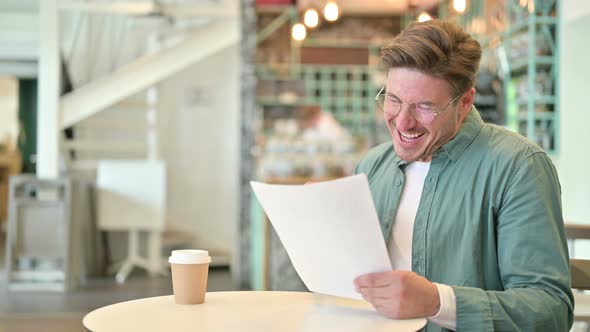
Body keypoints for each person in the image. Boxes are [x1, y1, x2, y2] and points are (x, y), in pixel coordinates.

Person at [352, 20, 573, 331]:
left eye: (424, 106)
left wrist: (437, 302)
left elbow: (550, 311)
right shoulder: (371, 166)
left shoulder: (518, 167)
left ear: (465, 102)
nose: (402, 122)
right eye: (393, 100)